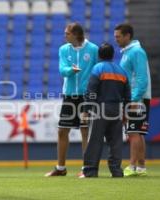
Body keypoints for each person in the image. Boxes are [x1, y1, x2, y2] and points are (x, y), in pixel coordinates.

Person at [45, 22, 98, 177]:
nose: (64, 36)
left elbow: (97, 71)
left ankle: (87, 168)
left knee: (84, 130)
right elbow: (62, 70)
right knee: (62, 130)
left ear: (76, 34)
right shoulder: (63, 49)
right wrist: (71, 70)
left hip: (87, 96)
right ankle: (60, 168)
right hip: (69, 95)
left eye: (67, 33)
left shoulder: (93, 49)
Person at [81, 43, 131, 178]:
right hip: (116, 110)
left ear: (99, 55)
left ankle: (91, 171)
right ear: (112, 55)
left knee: (95, 141)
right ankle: (116, 171)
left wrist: (86, 110)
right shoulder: (121, 71)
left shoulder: (98, 68)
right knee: (115, 142)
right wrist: (126, 112)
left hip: (100, 109)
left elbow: (91, 92)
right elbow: (128, 95)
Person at [114, 23, 151, 177]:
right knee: (138, 132)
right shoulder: (129, 52)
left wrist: (133, 99)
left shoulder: (136, 52)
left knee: (133, 132)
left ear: (127, 36)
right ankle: (141, 167)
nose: (116, 39)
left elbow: (142, 78)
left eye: (118, 36)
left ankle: (132, 166)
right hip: (137, 97)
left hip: (136, 98)